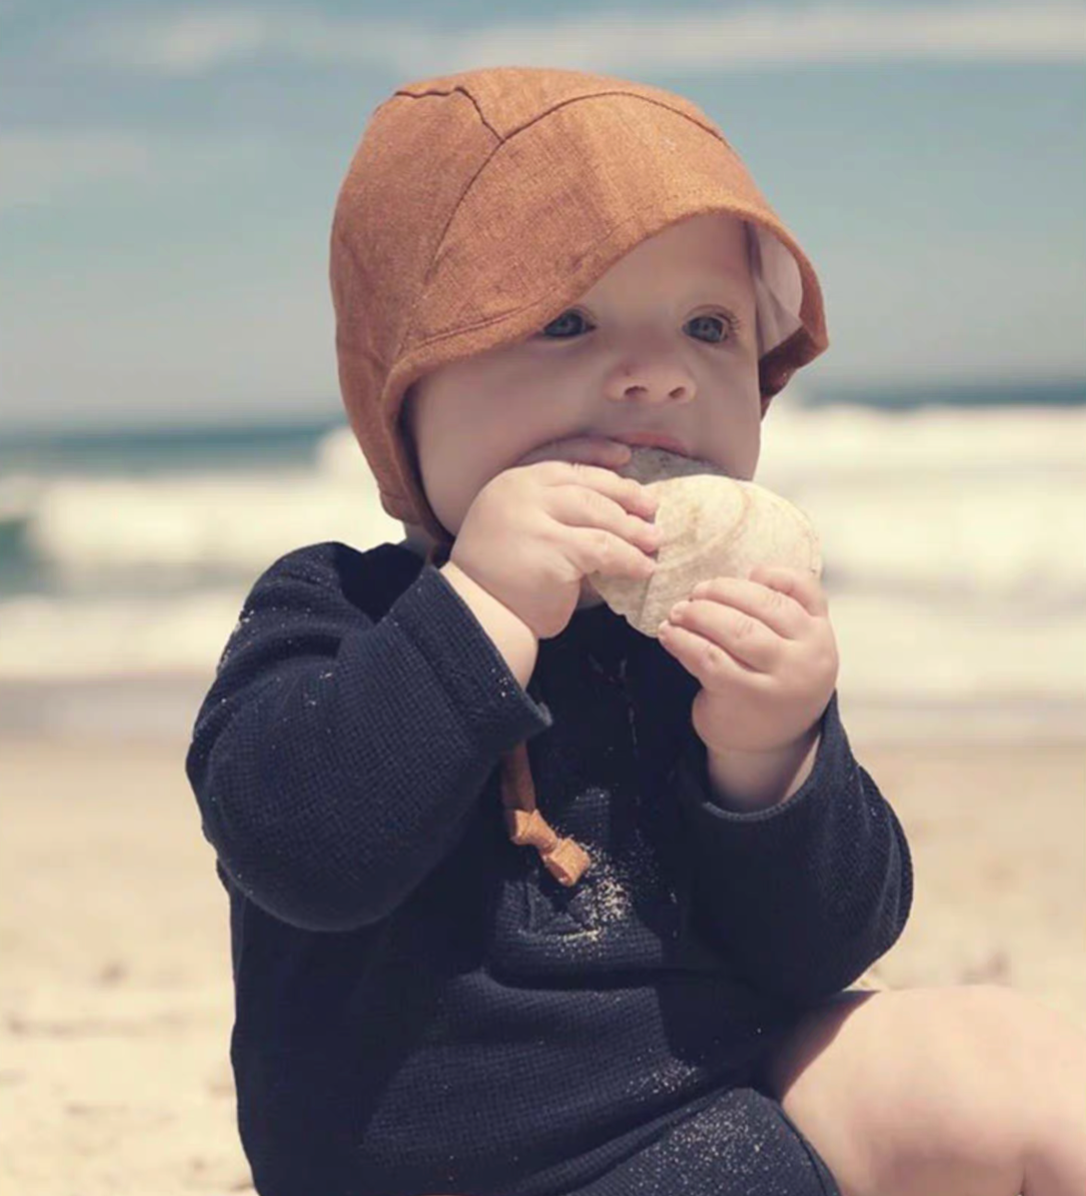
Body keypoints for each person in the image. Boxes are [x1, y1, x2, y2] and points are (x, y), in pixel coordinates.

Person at [185, 66, 1086, 1196]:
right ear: (404, 389)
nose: (660, 375)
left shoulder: (705, 632)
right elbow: (298, 849)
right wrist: (484, 609)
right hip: (453, 1167)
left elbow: (827, 950)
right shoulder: (337, 611)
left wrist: (774, 758)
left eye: (708, 326)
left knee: (1010, 1061)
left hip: (731, 1113)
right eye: (564, 320)